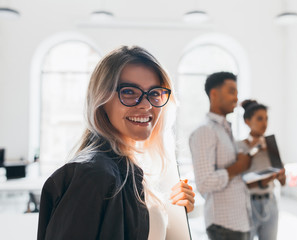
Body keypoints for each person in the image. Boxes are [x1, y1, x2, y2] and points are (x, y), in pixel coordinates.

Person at [37, 46, 195, 240]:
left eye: (154, 93)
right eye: (129, 92)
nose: (146, 105)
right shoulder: (91, 176)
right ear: (101, 99)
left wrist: (175, 212)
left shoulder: (133, 171)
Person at [189, 72, 252, 240]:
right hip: (224, 226)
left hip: (240, 220)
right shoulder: (205, 131)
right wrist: (237, 167)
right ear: (214, 94)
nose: (236, 98)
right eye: (232, 92)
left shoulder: (225, 129)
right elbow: (203, 183)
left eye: (237, 93)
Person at [237, 99, 286, 240]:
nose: (264, 123)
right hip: (248, 204)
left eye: (266, 119)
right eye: (259, 119)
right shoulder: (240, 146)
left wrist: (281, 175)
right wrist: (261, 182)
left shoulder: (271, 145)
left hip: (270, 202)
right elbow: (237, 182)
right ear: (247, 121)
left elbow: (283, 182)